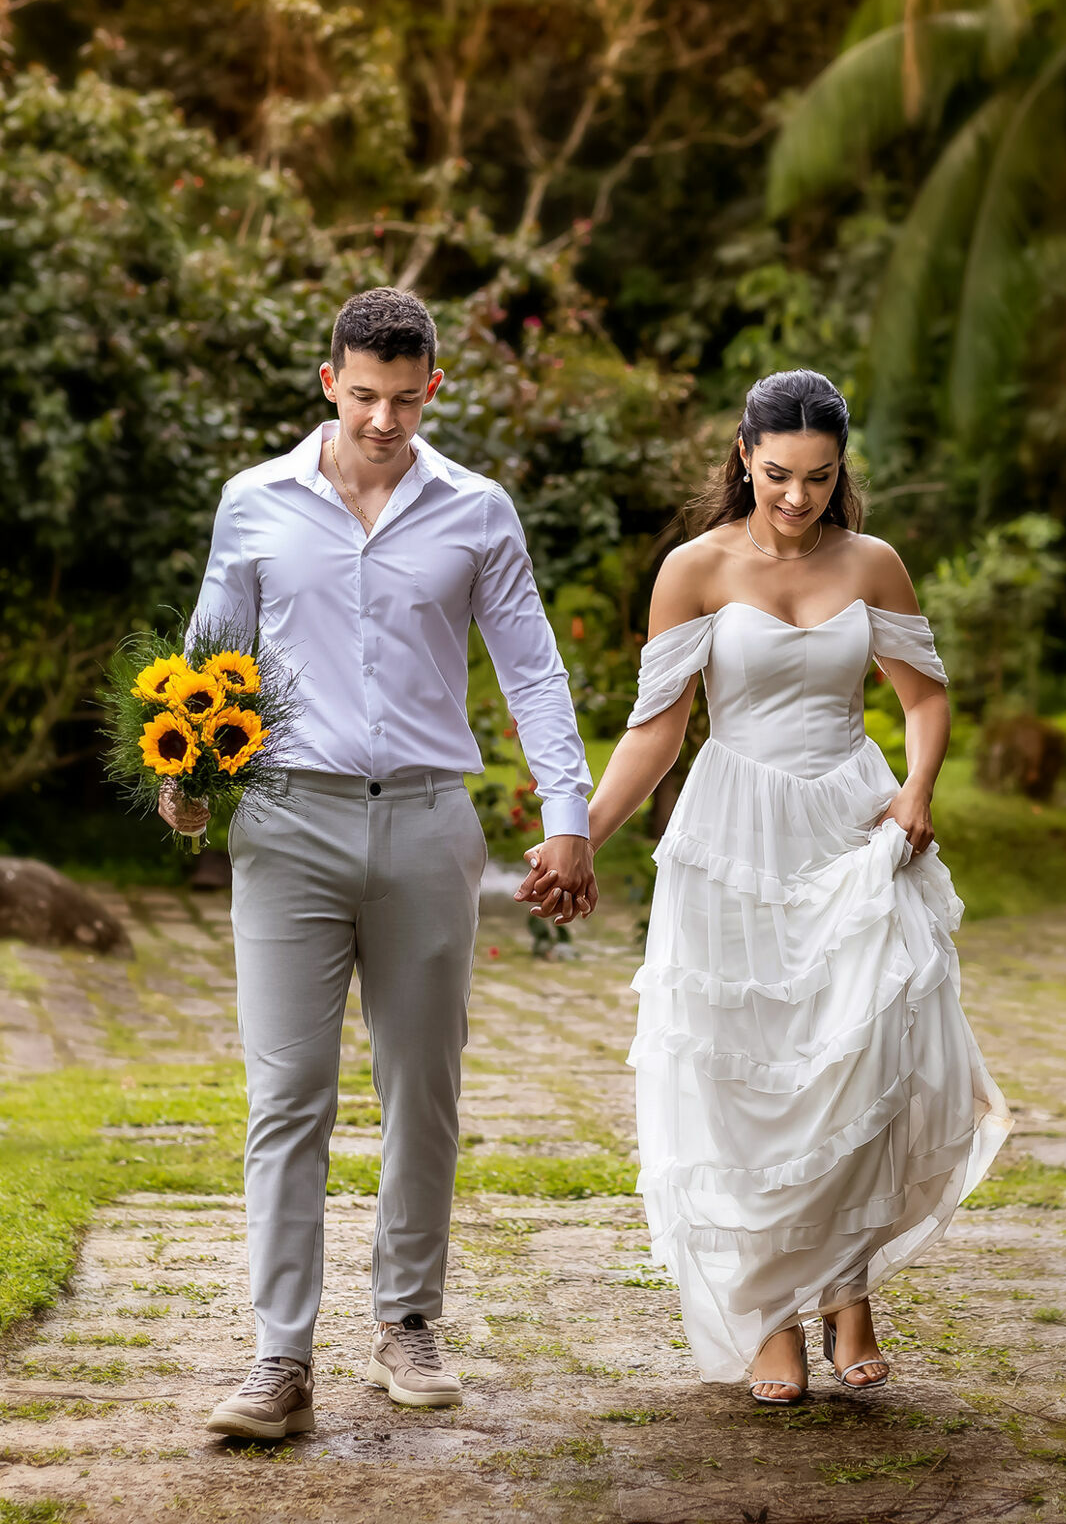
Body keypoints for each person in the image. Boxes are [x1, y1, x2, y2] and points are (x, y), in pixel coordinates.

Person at [161, 287, 597, 1438]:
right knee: (285, 1096)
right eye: (363, 397)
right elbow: (211, 653)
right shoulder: (253, 503)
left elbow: (533, 669)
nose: (384, 421)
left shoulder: (477, 512)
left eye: (406, 400)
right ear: (329, 382)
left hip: (423, 823)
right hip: (287, 826)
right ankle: (277, 1361)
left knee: (423, 1088)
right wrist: (189, 773)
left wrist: (567, 814)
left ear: (434, 389)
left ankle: (406, 1319)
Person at [586, 369, 1010, 1404]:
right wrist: (579, 837)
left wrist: (915, 787)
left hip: (850, 826)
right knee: (750, 1071)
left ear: (838, 471)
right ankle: (770, 1309)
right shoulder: (692, 569)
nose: (794, 497)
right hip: (732, 833)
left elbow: (922, 698)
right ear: (742, 454)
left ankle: (846, 1290)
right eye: (776, 474)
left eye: (817, 478)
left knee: (857, 1064)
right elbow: (657, 726)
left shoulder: (872, 563)